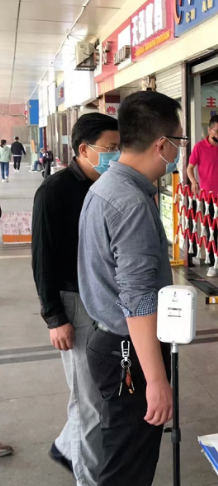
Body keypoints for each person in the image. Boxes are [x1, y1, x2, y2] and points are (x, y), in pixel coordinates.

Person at [78, 91, 184, 486]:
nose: (178, 151)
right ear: (162, 144)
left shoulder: (105, 188)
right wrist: (156, 380)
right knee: (127, 470)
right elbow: (137, 298)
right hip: (129, 354)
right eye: (179, 141)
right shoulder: (131, 203)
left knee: (121, 456)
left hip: (109, 342)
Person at [31, 113, 119, 484]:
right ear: (84, 149)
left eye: (119, 148)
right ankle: (89, 478)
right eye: (110, 149)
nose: (116, 156)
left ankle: (69, 447)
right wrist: (55, 317)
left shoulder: (108, 186)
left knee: (101, 392)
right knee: (89, 400)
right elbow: (42, 257)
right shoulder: (55, 191)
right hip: (74, 304)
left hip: (105, 301)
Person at [187, 115, 218, 277]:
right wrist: (194, 181)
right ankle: (213, 264)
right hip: (209, 196)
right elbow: (190, 168)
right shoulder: (199, 147)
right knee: (211, 230)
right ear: (209, 130)